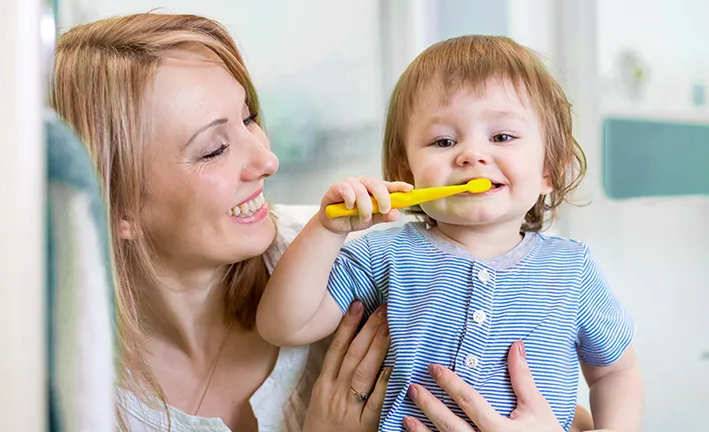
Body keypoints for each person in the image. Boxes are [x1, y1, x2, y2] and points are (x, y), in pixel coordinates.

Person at [51, 13, 592, 432]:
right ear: (112, 207)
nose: (267, 161)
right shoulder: (57, 376)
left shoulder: (349, 251)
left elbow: (566, 399)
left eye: (249, 119)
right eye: (214, 149)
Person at [257, 35, 644, 431]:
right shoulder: (382, 253)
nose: (471, 155)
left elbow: (615, 373)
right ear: (406, 174)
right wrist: (325, 230)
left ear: (549, 171)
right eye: (444, 141)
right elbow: (284, 325)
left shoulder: (571, 269)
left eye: (502, 137)